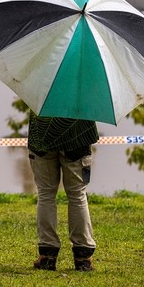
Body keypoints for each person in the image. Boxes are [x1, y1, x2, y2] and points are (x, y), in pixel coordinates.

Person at [27, 113, 98, 272]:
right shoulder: (86, 94)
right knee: (77, 195)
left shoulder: (40, 94)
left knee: (45, 194)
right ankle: (83, 258)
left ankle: (47, 256)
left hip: (42, 135)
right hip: (77, 136)